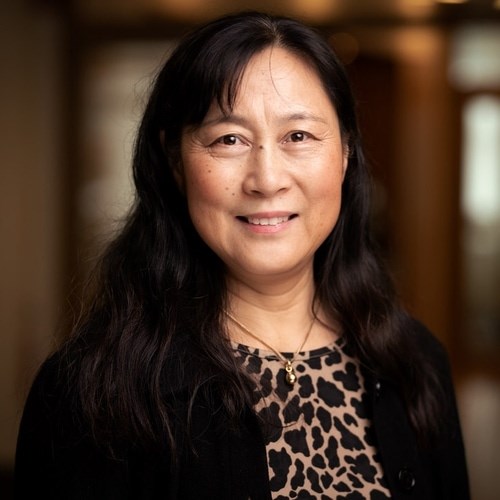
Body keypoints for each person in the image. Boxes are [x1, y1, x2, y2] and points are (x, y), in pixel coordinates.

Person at [15, 11, 469, 500]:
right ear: (176, 163)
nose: (267, 180)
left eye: (298, 136)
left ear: (345, 153)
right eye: (229, 139)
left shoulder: (414, 362)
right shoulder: (93, 392)